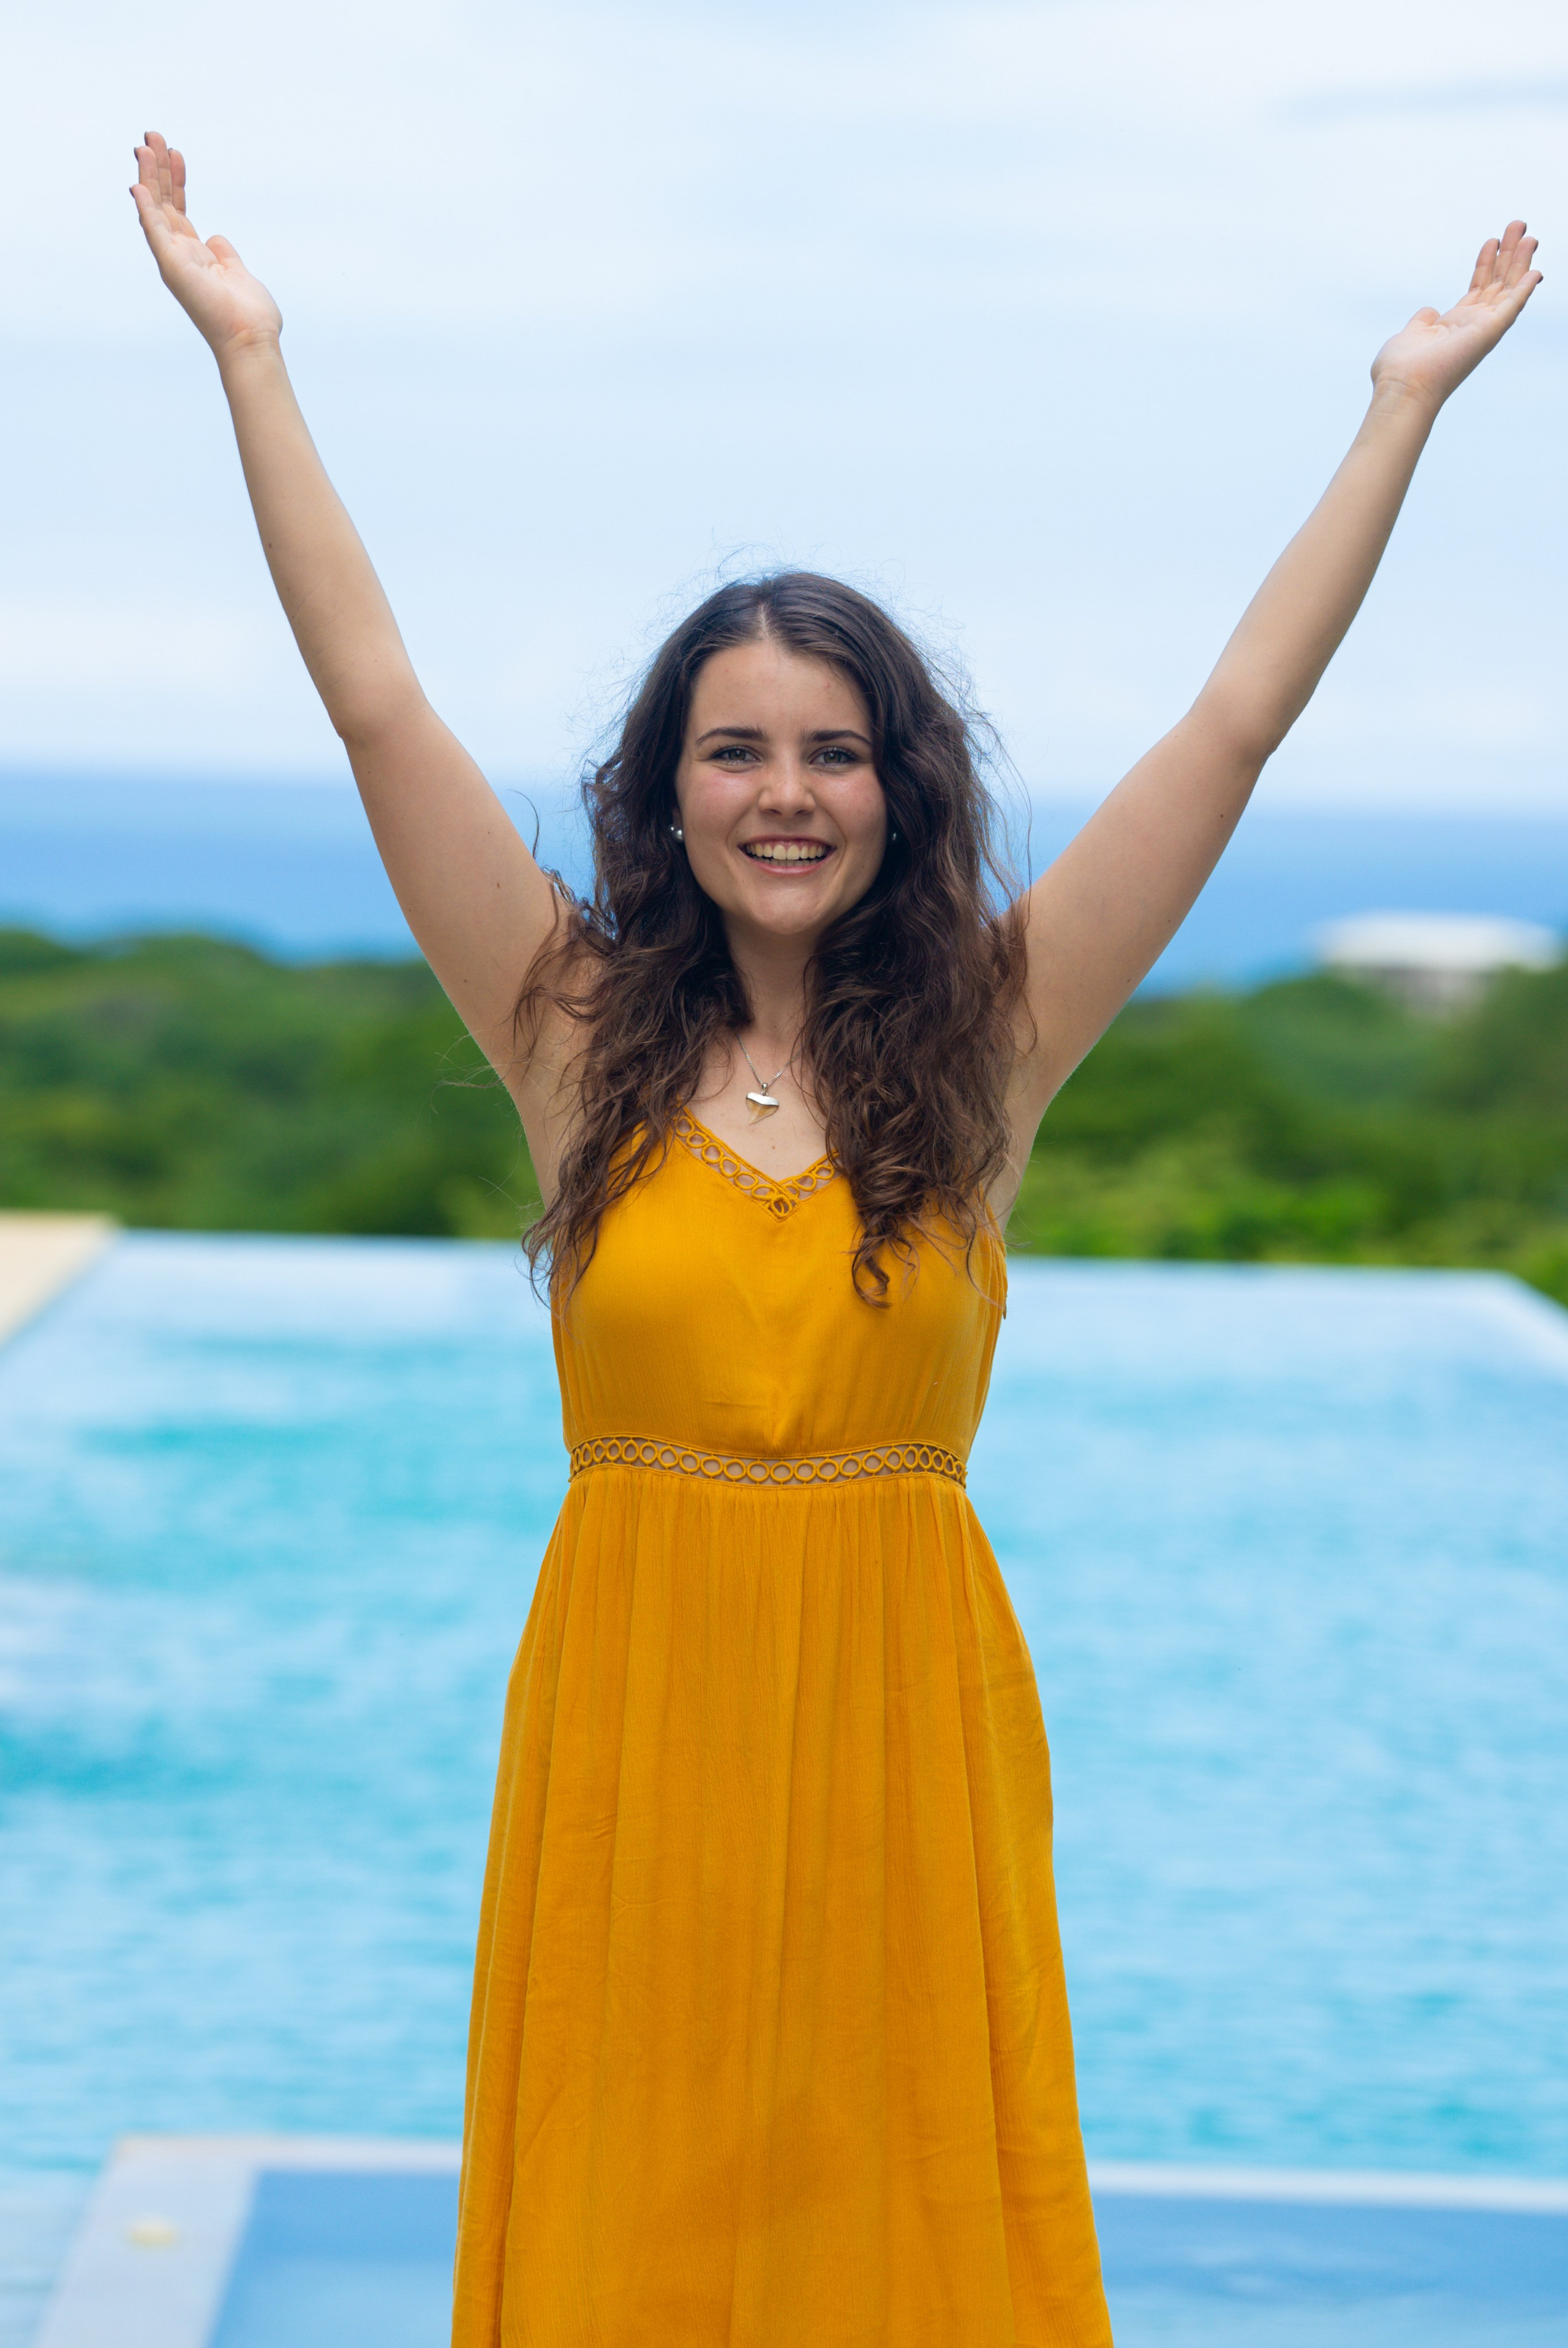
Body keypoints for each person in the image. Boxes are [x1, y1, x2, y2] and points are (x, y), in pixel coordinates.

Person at [132, 129, 1539, 2346]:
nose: (785, 790)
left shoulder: (987, 1049)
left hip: (904, 1724)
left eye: (833, 749)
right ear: (667, 793)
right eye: (734, 750)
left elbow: (1235, 726)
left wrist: (1399, 407)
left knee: (901, 2226)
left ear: (899, 789)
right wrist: (253, 360)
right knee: (634, 2212)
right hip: (638, 1715)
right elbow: (380, 702)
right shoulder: (572, 1032)